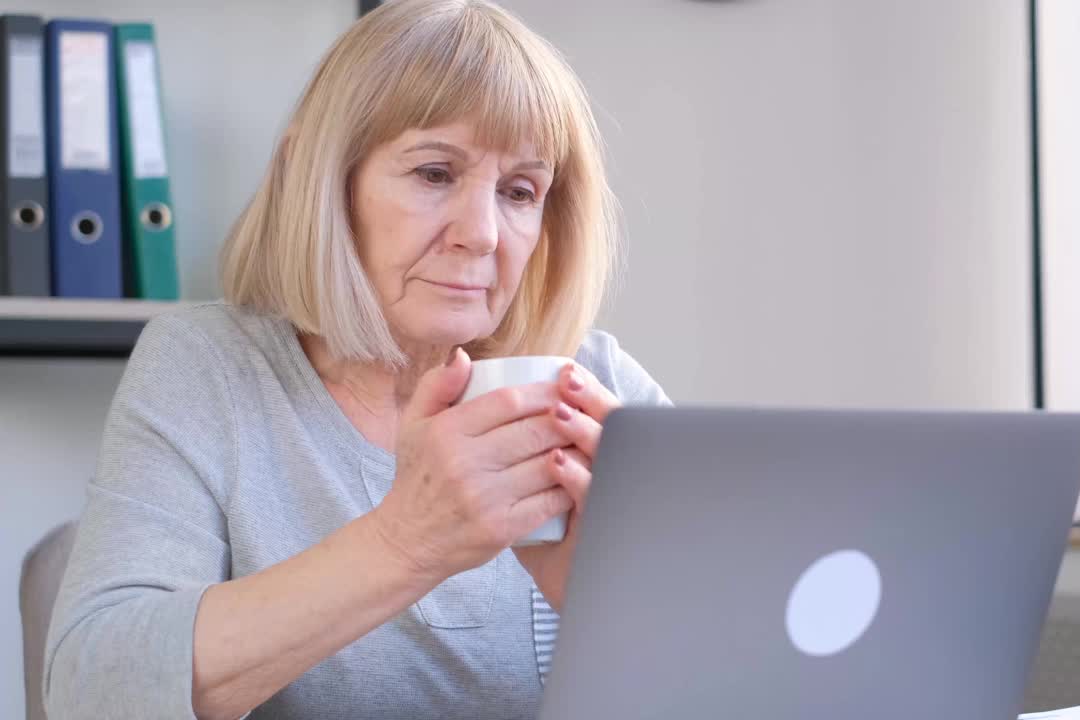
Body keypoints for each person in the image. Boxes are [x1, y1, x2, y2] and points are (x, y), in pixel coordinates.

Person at [44, 1, 669, 717]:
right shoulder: (209, 369)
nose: (484, 233)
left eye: (519, 191)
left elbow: (759, 671)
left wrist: (618, 611)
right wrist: (407, 543)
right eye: (435, 173)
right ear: (323, 185)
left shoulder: (598, 384)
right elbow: (89, 690)